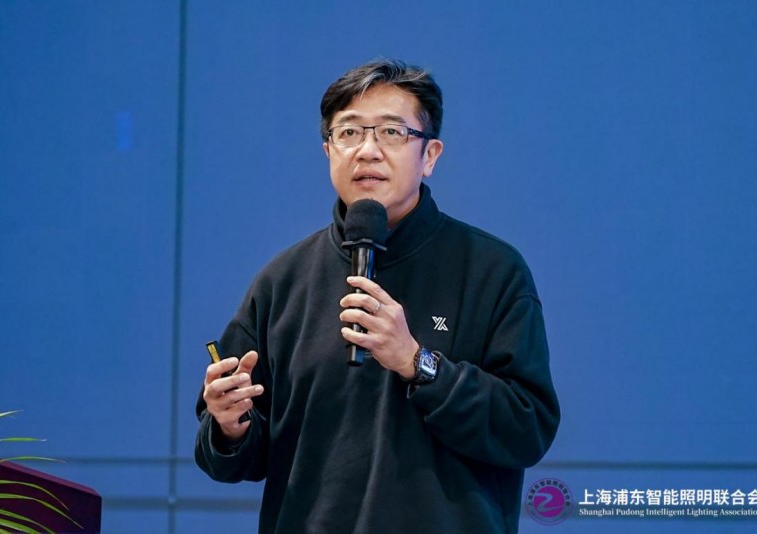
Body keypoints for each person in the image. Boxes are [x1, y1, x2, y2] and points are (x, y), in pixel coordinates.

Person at [195, 58, 560, 533]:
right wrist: (229, 424)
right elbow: (234, 456)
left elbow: (526, 428)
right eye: (349, 133)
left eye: (391, 132)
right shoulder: (281, 282)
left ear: (430, 156)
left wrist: (416, 362)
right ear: (328, 151)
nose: (367, 151)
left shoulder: (492, 270)